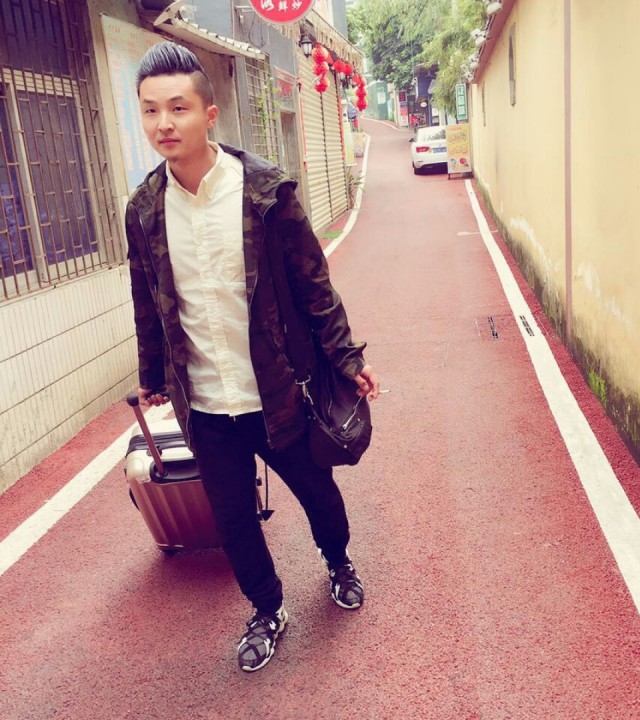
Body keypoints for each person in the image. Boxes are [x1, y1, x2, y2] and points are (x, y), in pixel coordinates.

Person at [125, 42, 380, 673]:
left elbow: (313, 282)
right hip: (206, 404)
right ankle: (267, 608)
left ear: (209, 114)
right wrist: (152, 374)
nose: (164, 123)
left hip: (277, 390)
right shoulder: (144, 209)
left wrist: (345, 358)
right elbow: (147, 296)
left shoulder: (266, 191)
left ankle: (338, 561)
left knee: (318, 492)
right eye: (150, 110)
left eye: (178, 108)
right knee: (235, 520)